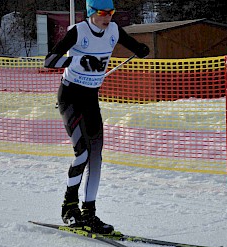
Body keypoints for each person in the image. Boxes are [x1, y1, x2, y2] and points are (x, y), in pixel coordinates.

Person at [44, 0, 149, 234]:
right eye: (102, 13)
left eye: (111, 12)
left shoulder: (113, 30)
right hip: (70, 96)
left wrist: (141, 50)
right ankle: (69, 209)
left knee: (96, 157)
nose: (107, 17)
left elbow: (134, 45)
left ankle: (89, 213)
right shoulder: (78, 31)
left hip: (91, 98)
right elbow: (49, 60)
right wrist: (74, 60)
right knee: (81, 153)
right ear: (91, 13)